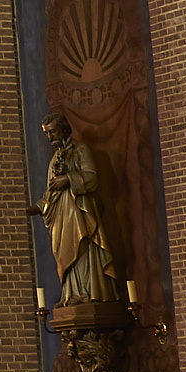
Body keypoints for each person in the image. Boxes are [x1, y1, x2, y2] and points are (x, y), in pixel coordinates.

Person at [38, 112, 122, 305]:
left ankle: (88, 292)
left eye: (52, 131)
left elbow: (92, 176)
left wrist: (68, 179)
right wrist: (35, 208)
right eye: (47, 134)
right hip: (62, 217)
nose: (50, 137)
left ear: (63, 129)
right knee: (66, 252)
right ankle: (71, 293)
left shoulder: (80, 150)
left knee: (83, 250)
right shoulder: (55, 160)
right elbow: (50, 195)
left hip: (80, 213)